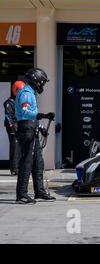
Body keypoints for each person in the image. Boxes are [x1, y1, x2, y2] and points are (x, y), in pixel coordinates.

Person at [15, 68, 55, 204]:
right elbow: (26, 112)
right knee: (26, 162)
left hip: (32, 128)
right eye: (43, 82)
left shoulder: (31, 93)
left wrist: (42, 127)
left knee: (38, 162)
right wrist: (42, 115)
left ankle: (39, 191)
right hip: (26, 129)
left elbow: (33, 115)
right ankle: (21, 195)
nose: (43, 84)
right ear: (36, 79)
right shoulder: (26, 93)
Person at [3, 80, 25, 175]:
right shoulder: (10, 102)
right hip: (13, 126)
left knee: (21, 147)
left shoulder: (19, 101)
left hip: (20, 125)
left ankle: (20, 166)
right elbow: (8, 116)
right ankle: (14, 169)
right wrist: (12, 128)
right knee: (15, 146)